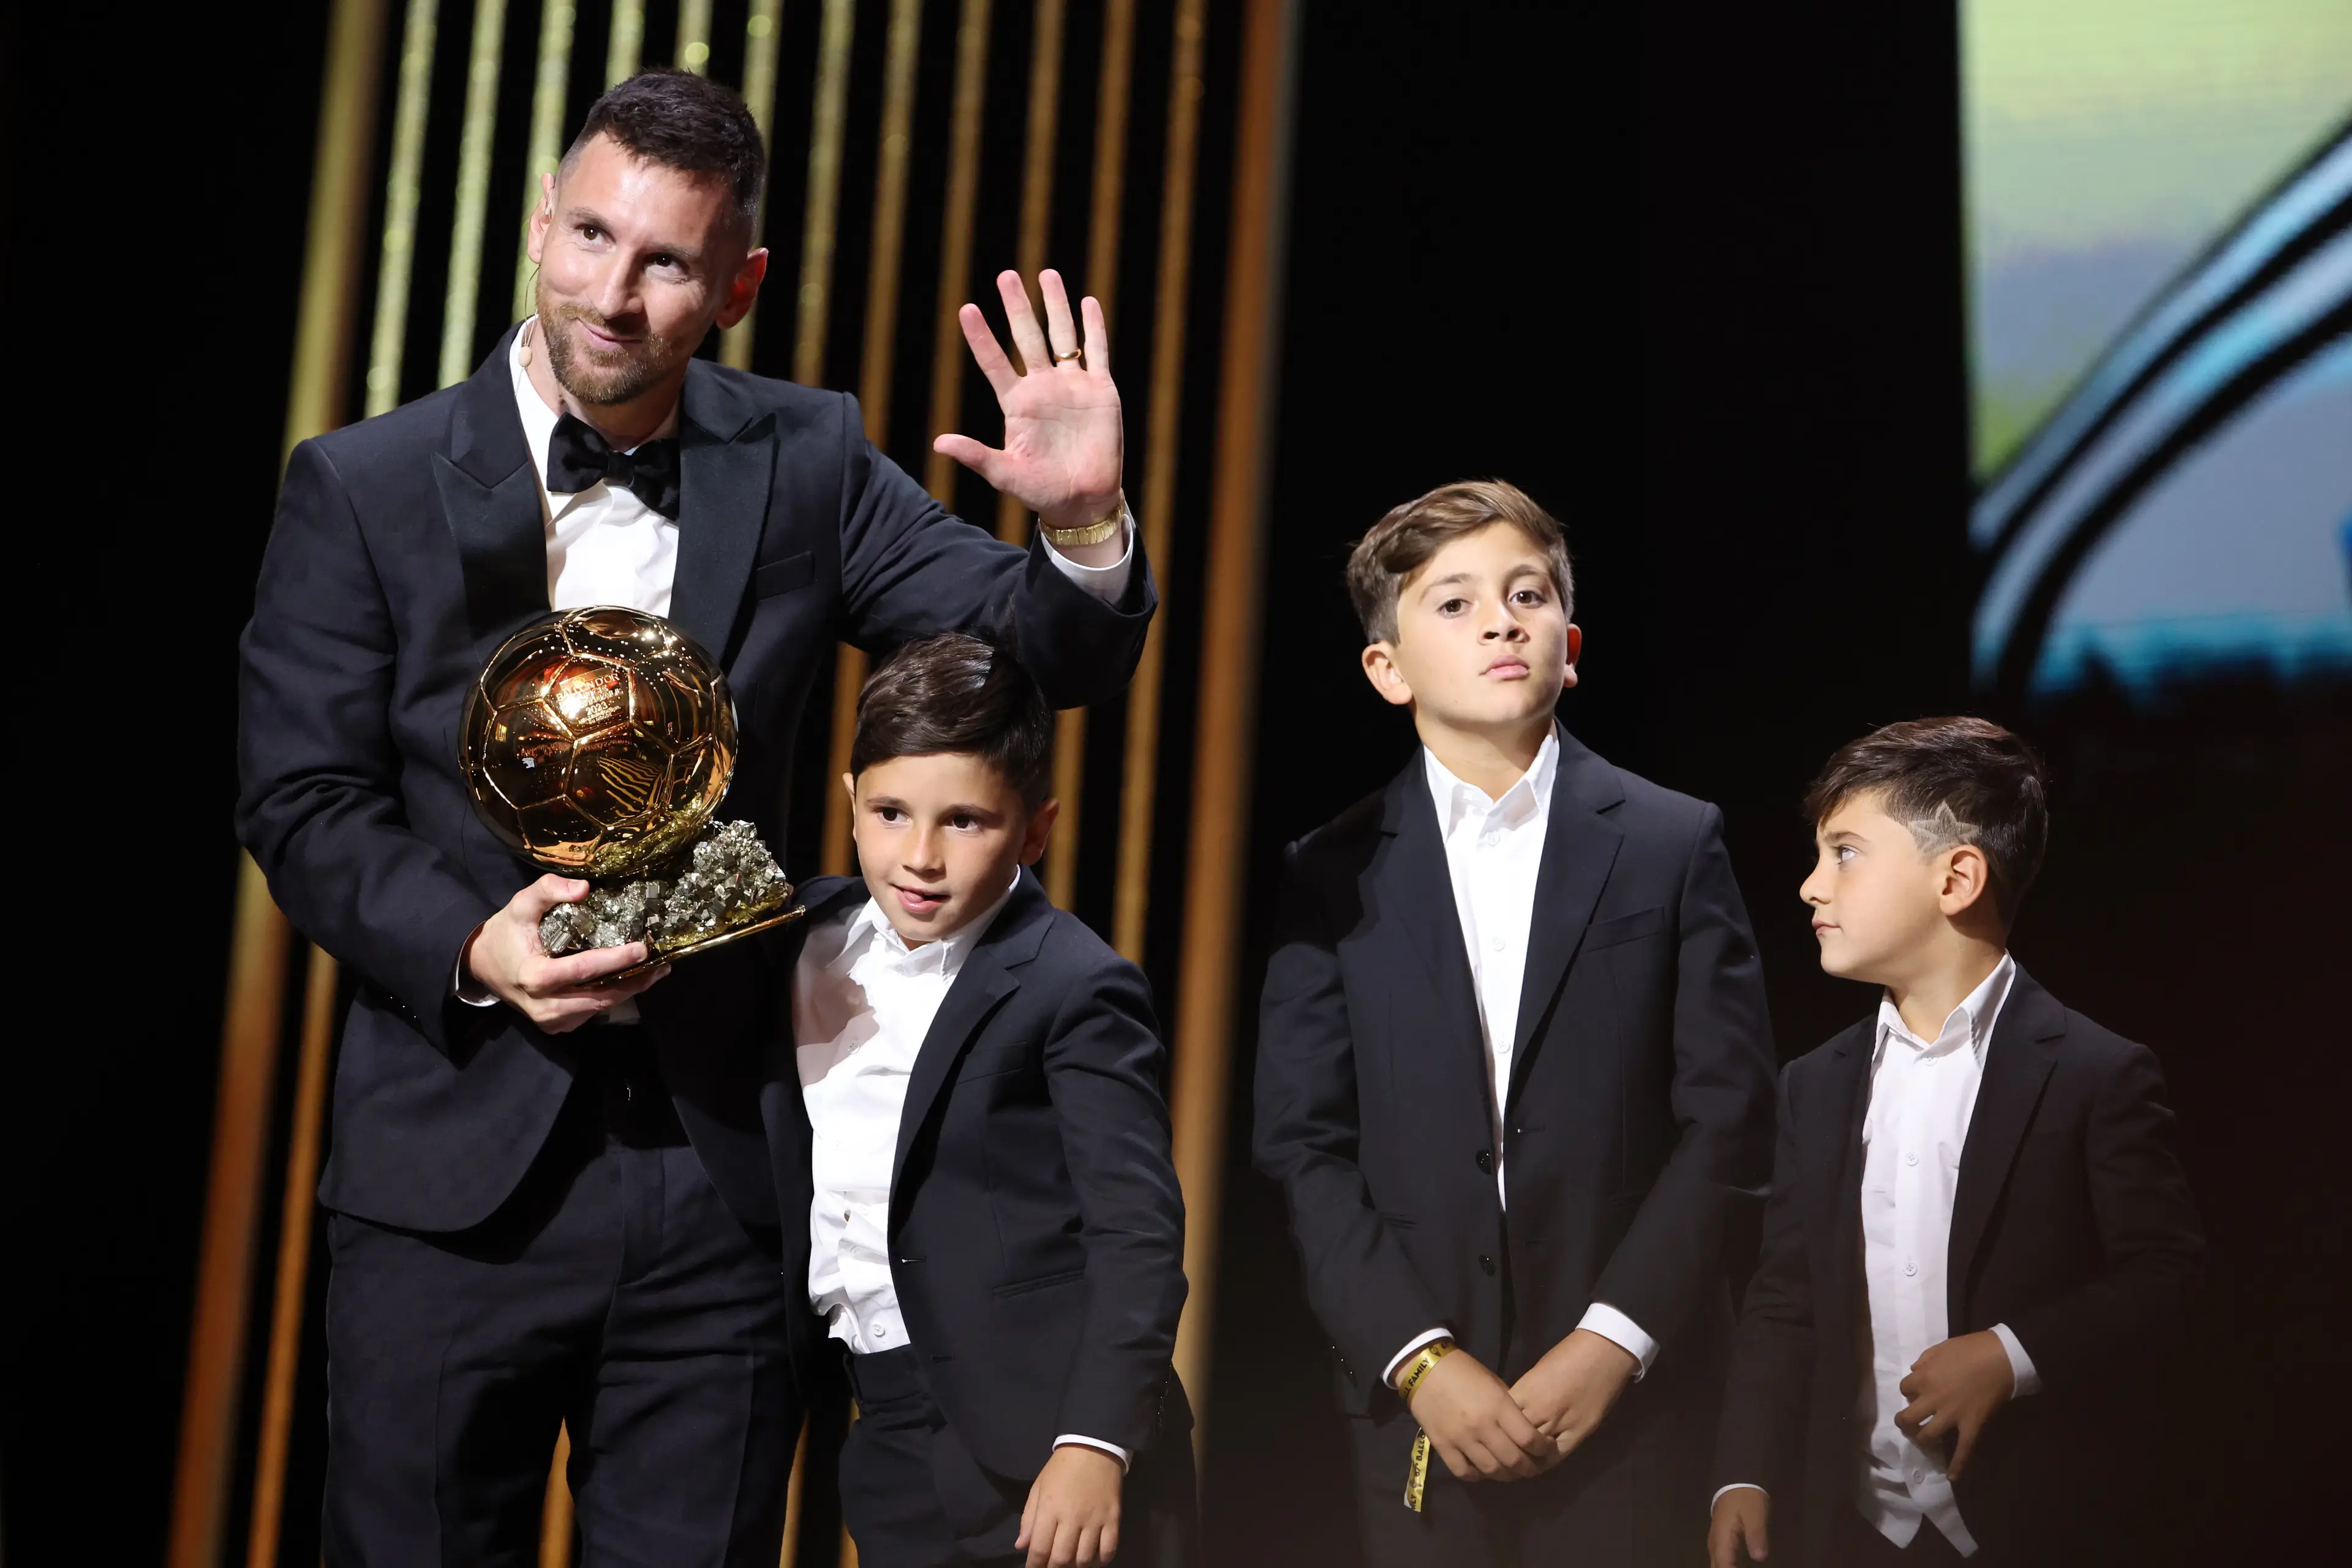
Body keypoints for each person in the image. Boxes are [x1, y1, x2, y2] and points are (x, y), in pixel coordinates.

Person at [236, 68, 1153, 1565]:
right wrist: (477, 940)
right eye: (591, 237)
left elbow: (1029, 655)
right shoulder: (364, 483)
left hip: (717, 1182)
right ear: (538, 224)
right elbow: (303, 800)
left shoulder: (801, 460)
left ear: (740, 283)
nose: (613, 294)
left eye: (666, 261)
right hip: (449, 1179)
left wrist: (1079, 525)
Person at [1253, 480, 1777, 1566]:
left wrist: (1611, 1341)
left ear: (1569, 643)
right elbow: (1303, 1145)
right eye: (1454, 604)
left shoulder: (1672, 844)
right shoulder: (1330, 872)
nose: (1501, 620)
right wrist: (1420, 1358)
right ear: (1385, 670)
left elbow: (1729, 1124)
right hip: (1422, 1416)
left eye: (1527, 594)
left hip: (1636, 1401)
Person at [1707, 718, 2205, 1568]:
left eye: (1845, 853)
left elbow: (2167, 1273)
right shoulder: (1815, 1084)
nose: (1809, 887)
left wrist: (2013, 1356)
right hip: (1851, 1526)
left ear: (1957, 877)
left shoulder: (2094, 1071)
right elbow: (1784, 1296)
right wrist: (1744, 1472)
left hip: (2029, 1524)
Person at [767, 631, 1193, 1568]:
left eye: (964, 821)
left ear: (1034, 829)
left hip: (1043, 1436)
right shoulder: (800, 936)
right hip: (880, 1420)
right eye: (889, 813)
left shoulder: (1075, 984)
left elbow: (1139, 1233)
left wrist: (1094, 1441)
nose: (919, 856)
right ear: (849, 803)